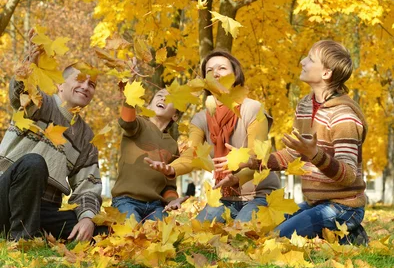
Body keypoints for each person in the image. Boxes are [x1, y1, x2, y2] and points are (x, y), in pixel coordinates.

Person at [147, 49, 280, 222]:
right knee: (193, 235)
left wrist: (236, 176)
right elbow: (192, 154)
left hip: (260, 195)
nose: (215, 73)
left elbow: (258, 154)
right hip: (224, 198)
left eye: (222, 68)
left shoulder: (253, 109)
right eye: (209, 71)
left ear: (235, 74)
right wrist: (172, 168)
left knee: (240, 235)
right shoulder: (201, 119)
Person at [260, 39, 367, 243]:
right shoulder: (305, 106)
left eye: (310, 59)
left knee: (278, 240)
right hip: (314, 203)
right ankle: (333, 235)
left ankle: (350, 236)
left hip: (344, 206)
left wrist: (314, 155)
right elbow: (292, 155)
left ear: (326, 73)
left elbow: (349, 175)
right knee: (266, 231)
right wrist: (257, 162)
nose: (302, 62)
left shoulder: (344, 116)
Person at [0, 32, 102, 242]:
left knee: (97, 231)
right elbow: (19, 92)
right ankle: (21, 239)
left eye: (91, 85)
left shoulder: (86, 137)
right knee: (34, 163)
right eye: (80, 80)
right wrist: (29, 66)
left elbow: (88, 184)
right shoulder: (41, 102)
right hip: (5, 195)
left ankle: (29, 229)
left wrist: (88, 219)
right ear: (60, 85)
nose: (85, 86)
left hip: (42, 209)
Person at [111, 87, 186, 222]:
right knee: (131, 232)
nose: (163, 98)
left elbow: (169, 185)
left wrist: (173, 200)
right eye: (160, 95)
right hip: (126, 200)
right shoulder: (139, 124)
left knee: (163, 236)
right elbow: (126, 121)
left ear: (175, 115)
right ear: (148, 106)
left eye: (169, 99)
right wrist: (131, 94)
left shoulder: (173, 145)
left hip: (155, 205)